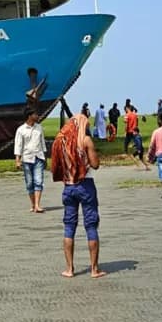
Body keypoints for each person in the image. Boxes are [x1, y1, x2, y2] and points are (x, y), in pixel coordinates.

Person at [49, 112, 105, 278]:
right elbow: (95, 164)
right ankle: (94, 269)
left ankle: (69, 269)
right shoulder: (85, 140)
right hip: (85, 185)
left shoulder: (61, 141)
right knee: (91, 225)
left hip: (68, 186)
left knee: (69, 226)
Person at [13, 107, 47, 213]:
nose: (37, 116)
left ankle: (37, 205)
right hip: (27, 158)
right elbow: (18, 145)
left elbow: (42, 143)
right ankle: (33, 204)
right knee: (29, 183)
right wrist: (17, 160)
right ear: (29, 116)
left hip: (38, 157)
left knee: (38, 181)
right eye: (35, 114)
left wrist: (45, 157)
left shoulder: (39, 128)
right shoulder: (21, 130)